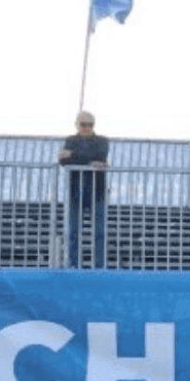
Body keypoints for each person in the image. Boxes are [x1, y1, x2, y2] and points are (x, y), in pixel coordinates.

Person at [57, 111, 111, 269]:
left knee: (99, 233)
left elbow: (100, 156)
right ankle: (73, 265)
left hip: (97, 193)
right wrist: (90, 161)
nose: (86, 128)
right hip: (75, 192)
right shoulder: (70, 140)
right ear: (77, 125)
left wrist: (74, 156)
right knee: (73, 233)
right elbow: (64, 161)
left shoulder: (102, 141)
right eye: (83, 124)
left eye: (90, 124)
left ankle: (100, 266)